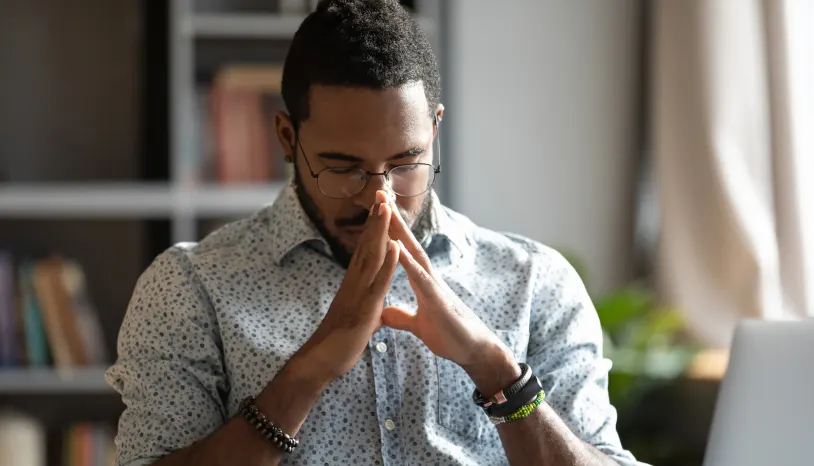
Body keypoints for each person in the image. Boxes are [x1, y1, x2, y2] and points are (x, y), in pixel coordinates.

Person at [105, 0, 640, 465]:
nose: (377, 197)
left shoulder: (534, 283)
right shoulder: (190, 287)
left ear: (434, 130)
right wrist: (309, 371)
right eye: (344, 167)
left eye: (406, 163)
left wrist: (495, 370)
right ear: (288, 138)